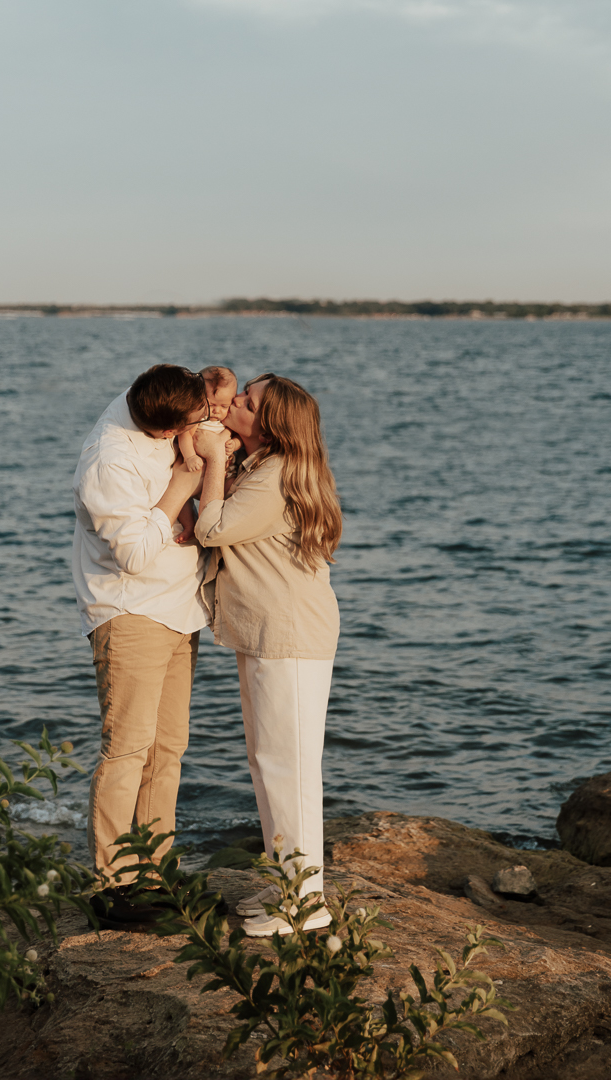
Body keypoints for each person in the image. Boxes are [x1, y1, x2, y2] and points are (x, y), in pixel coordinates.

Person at [191, 374, 342, 937]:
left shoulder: (275, 475)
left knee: (290, 768)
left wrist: (210, 461)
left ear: (270, 425)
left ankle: (305, 906)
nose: (235, 402)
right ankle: (290, 889)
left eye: (247, 402)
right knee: (268, 763)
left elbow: (212, 528)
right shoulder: (263, 467)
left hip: (290, 638)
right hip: (268, 633)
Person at [71, 364, 213, 926]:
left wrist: (194, 436)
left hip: (181, 610)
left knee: (168, 748)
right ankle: (110, 888)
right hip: (131, 613)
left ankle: (156, 875)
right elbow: (132, 553)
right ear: (159, 428)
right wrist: (181, 485)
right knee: (127, 749)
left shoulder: (161, 400)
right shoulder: (109, 462)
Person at [175, 366, 238, 473]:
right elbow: (185, 435)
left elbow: (238, 435)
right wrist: (190, 457)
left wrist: (235, 444)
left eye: (224, 406)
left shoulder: (228, 418)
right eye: (211, 405)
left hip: (225, 468)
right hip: (199, 463)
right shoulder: (199, 418)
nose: (217, 411)